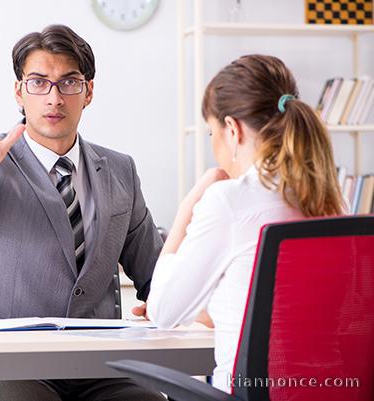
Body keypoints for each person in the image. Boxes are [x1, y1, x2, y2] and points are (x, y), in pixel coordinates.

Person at [0, 24, 164, 401]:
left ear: (88, 91)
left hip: (96, 365)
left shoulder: (120, 169)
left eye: (69, 82)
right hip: (3, 364)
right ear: (19, 92)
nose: (54, 98)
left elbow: (155, 274)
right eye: (39, 83)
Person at [147, 54, 344, 393]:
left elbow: (163, 312)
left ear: (233, 129)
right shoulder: (330, 200)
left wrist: (185, 210)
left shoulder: (228, 200)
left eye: (212, 131)